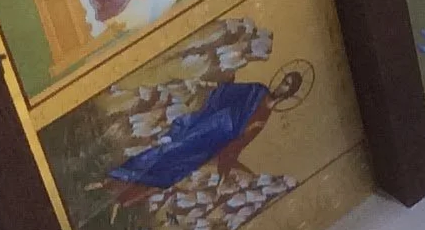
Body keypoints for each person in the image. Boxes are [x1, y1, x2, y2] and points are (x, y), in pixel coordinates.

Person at [105, 67, 309, 204]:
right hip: (208, 125)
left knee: (177, 170)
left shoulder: (264, 118)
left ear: (290, 94)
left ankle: (126, 197)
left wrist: (225, 167)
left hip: (215, 143)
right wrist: (220, 97)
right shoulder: (257, 90)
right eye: (285, 82)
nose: (282, 87)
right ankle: (120, 176)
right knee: (170, 150)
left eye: (288, 87)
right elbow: (224, 93)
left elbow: (240, 143)